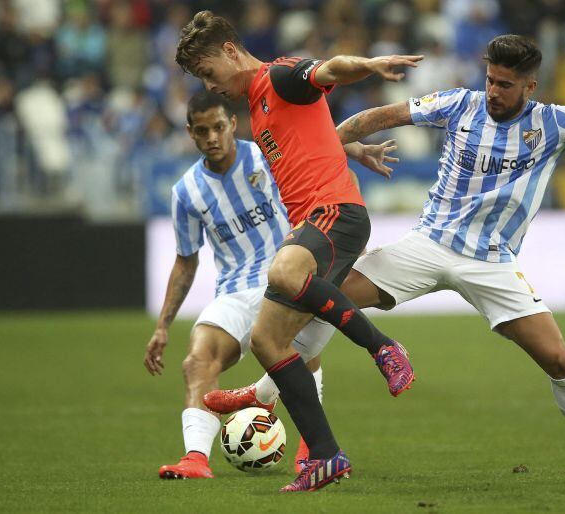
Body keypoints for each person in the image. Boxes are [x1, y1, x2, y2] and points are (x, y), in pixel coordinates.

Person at [209, 35, 565, 485]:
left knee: (557, 359)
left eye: (506, 85)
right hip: (427, 245)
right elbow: (376, 117)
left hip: (491, 261)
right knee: (328, 299)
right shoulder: (457, 104)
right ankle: (263, 393)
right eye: (491, 79)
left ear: (529, 87)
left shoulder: (553, 123)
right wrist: (339, 145)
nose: (493, 91)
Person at [174, 11, 419, 492]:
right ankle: (326, 456)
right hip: (313, 223)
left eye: (207, 71)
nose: (210, 84)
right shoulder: (257, 107)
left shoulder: (279, 77)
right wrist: (352, 149)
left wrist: (369, 64)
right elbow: (305, 135)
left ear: (228, 51)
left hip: (335, 214)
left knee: (283, 270)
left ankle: (384, 347)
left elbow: (329, 69)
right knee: (266, 342)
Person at [144, 91, 393, 480]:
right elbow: (185, 260)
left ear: (233, 124)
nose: (212, 137)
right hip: (232, 289)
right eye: (203, 130)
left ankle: (312, 450)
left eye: (219, 127)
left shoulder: (265, 156)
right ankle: (195, 459)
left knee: (300, 348)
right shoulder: (186, 192)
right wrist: (162, 325)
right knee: (197, 360)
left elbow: (323, 162)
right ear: (190, 133)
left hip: (284, 271)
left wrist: (356, 151)